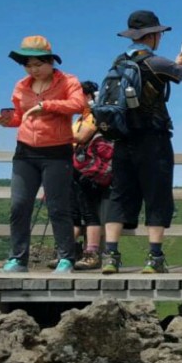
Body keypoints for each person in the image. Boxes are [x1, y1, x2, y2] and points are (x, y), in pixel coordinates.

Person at [101, 10, 182, 274]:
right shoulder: (157, 63)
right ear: (152, 35)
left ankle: (110, 256)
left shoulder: (118, 62)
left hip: (123, 138)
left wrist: (176, 63)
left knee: (120, 194)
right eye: (159, 33)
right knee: (157, 194)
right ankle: (154, 258)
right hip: (153, 138)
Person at [1, 36, 87, 273]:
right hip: (25, 152)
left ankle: (66, 258)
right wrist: (7, 120)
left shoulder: (68, 81)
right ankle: (18, 258)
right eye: (28, 65)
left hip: (56, 152)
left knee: (58, 206)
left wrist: (47, 105)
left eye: (38, 64)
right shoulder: (21, 86)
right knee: (19, 205)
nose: (33, 69)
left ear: (50, 61)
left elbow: (78, 105)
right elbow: (21, 116)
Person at [70, 80, 110, 270]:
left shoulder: (94, 116)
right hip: (76, 170)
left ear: (87, 97)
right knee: (74, 213)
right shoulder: (81, 117)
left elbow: (81, 137)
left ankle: (91, 253)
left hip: (89, 172)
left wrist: (54, 132)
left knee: (88, 213)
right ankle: (68, 252)